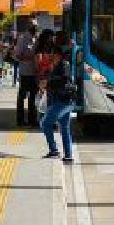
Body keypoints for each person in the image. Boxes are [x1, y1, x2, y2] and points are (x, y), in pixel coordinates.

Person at [41, 32, 77, 163]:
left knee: (45, 123)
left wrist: (48, 83)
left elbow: (64, 80)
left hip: (63, 101)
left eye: (52, 55)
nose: (50, 57)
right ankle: (68, 155)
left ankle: (54, 150)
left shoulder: (64, 65)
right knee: (64, 127)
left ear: (58, 55)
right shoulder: (55, 66)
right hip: (62, 100)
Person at [14, 23, 39, 126]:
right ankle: (20, 120)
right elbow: (17, 56)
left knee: (33, 97)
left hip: (34, 72)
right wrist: (30, 58)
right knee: (22, 97)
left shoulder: (35, 39)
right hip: (25, 72)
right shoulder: (22, 39)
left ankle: (32, 120)